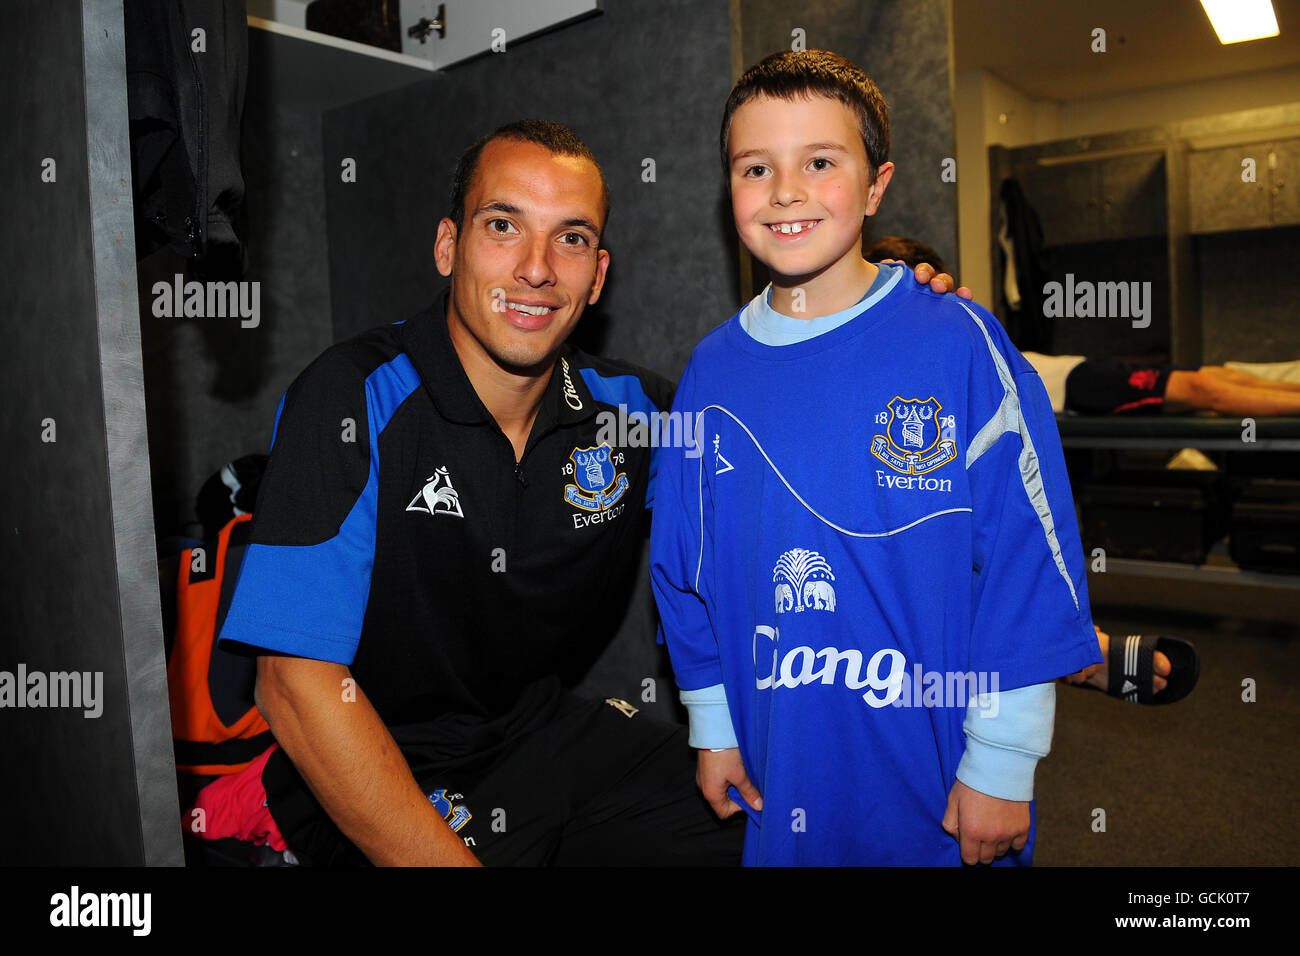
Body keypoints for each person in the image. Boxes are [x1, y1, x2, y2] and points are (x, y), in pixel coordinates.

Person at [216, 118, 960, 866]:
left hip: (540, 737)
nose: (537, 268)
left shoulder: (629, 414)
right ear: (449, 247)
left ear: (597, 275)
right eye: (503, 225)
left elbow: (792, 468)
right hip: (373, 764)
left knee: (776, 819)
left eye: (571, 238)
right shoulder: (354, 397)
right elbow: (293, 687)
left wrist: (896, 322)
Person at [649, 50, 1102, 867]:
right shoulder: (709, 373)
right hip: (781, 770)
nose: (786, 190)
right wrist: (714, 727)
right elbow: (684, 571)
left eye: (820, 161)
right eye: (757, 168)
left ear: (875, 185)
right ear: (730, 190)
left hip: (939, 780)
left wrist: (1003, 762)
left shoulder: (958, 342)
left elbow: (1028, 560)